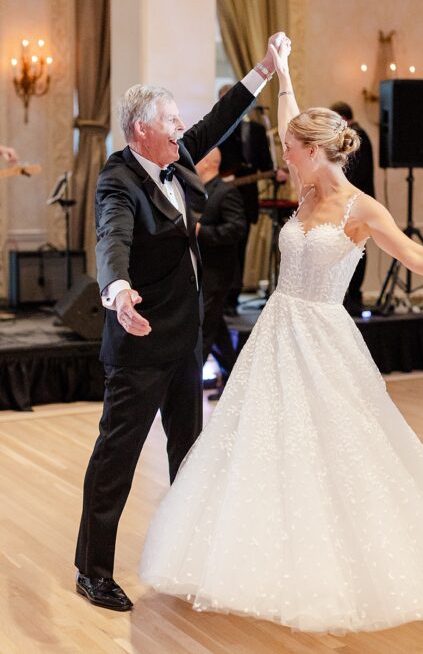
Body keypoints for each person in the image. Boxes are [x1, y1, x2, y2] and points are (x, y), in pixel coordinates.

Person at [138, 36, 423, 632]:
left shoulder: (360, 209)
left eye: (290, 152)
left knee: (338, 449)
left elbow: (414, 256)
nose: (284, 160)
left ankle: (343, 566)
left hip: (325, 336)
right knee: (259, 445)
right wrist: (282, 72)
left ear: (314, 152)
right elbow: (290, 117)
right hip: (278, 329)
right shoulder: (309, 185)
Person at [74, 35, 285, 612]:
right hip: (139, 341)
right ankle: (92, 571)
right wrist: (117, 292)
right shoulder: (118, 179)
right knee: (116, 459)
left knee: (189, 457)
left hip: (185, 341)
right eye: (170, 121)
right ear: (141, 129)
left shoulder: (178, 157)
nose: (180, 127)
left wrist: (263, 70)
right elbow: (110, 239)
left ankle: (190, 559)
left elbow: (219, 118)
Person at [216, 85, 281, 314]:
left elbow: (267, 166)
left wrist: (276, 174)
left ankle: (234, 297)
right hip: (220, 198)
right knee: (222, 249)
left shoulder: (254, 130)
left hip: (247, 198)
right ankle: (220, 297)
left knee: (241, 247)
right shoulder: (214, 129)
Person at [195, 148, 248, 390]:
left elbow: (236, 229)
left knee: (204, 328)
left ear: (208, 163)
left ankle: (187, 385)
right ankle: (234, 382)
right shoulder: (196, 191)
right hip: (199, 271)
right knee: (217, 329)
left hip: (217, 273)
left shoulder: (226, 192)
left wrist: (201, 232)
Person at [330, 101, 375, 314]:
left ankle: (354, 296)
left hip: (356, 204)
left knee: (356, 251)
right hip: (352, 203)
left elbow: (355, 173)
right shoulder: (355, 136)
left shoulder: (359, 138)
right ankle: (349, 295)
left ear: (343, 119)